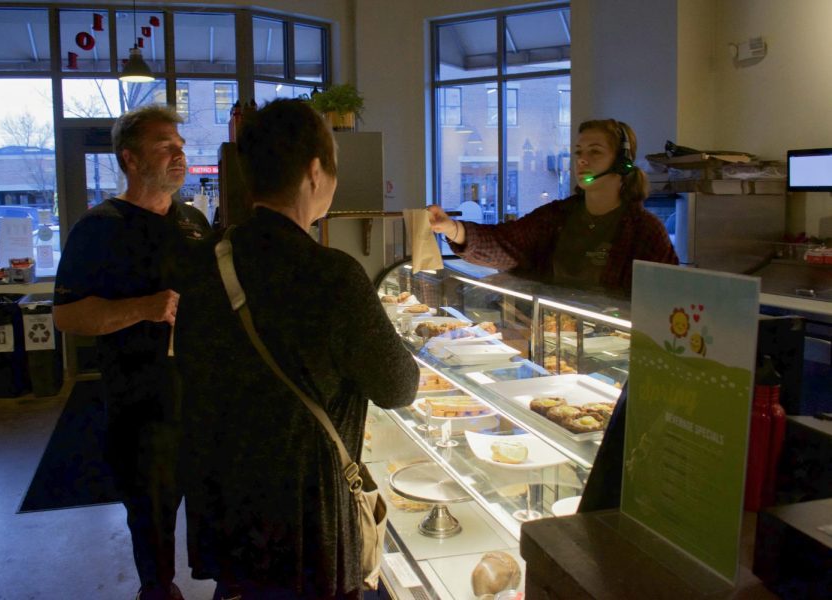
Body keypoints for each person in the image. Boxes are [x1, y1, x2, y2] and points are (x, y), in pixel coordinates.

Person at [173, 99, 419, 599]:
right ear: (314, 172)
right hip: (308, 523)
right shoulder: (332, 277)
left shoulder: (201, 266)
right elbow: (399, 387)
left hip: (226, 503)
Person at [53, 104, 212, 600]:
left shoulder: (194, 222)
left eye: (181, 146)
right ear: (131, 159)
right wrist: (142, 307)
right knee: (153, 519)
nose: (179, 154)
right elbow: (68, 316)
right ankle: (158, 590)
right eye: (165, 146)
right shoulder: (99, 227)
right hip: (142, 409)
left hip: (203, 399)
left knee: (212, 508)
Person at [428, 118, 679, 295]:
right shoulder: (557, 217)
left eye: (595, 152)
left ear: (623, 164)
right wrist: (453, 229)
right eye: (579, 151)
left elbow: (665, 300)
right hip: (556, 340)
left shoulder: (645, 231)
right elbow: (507, 242)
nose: (582, 159)